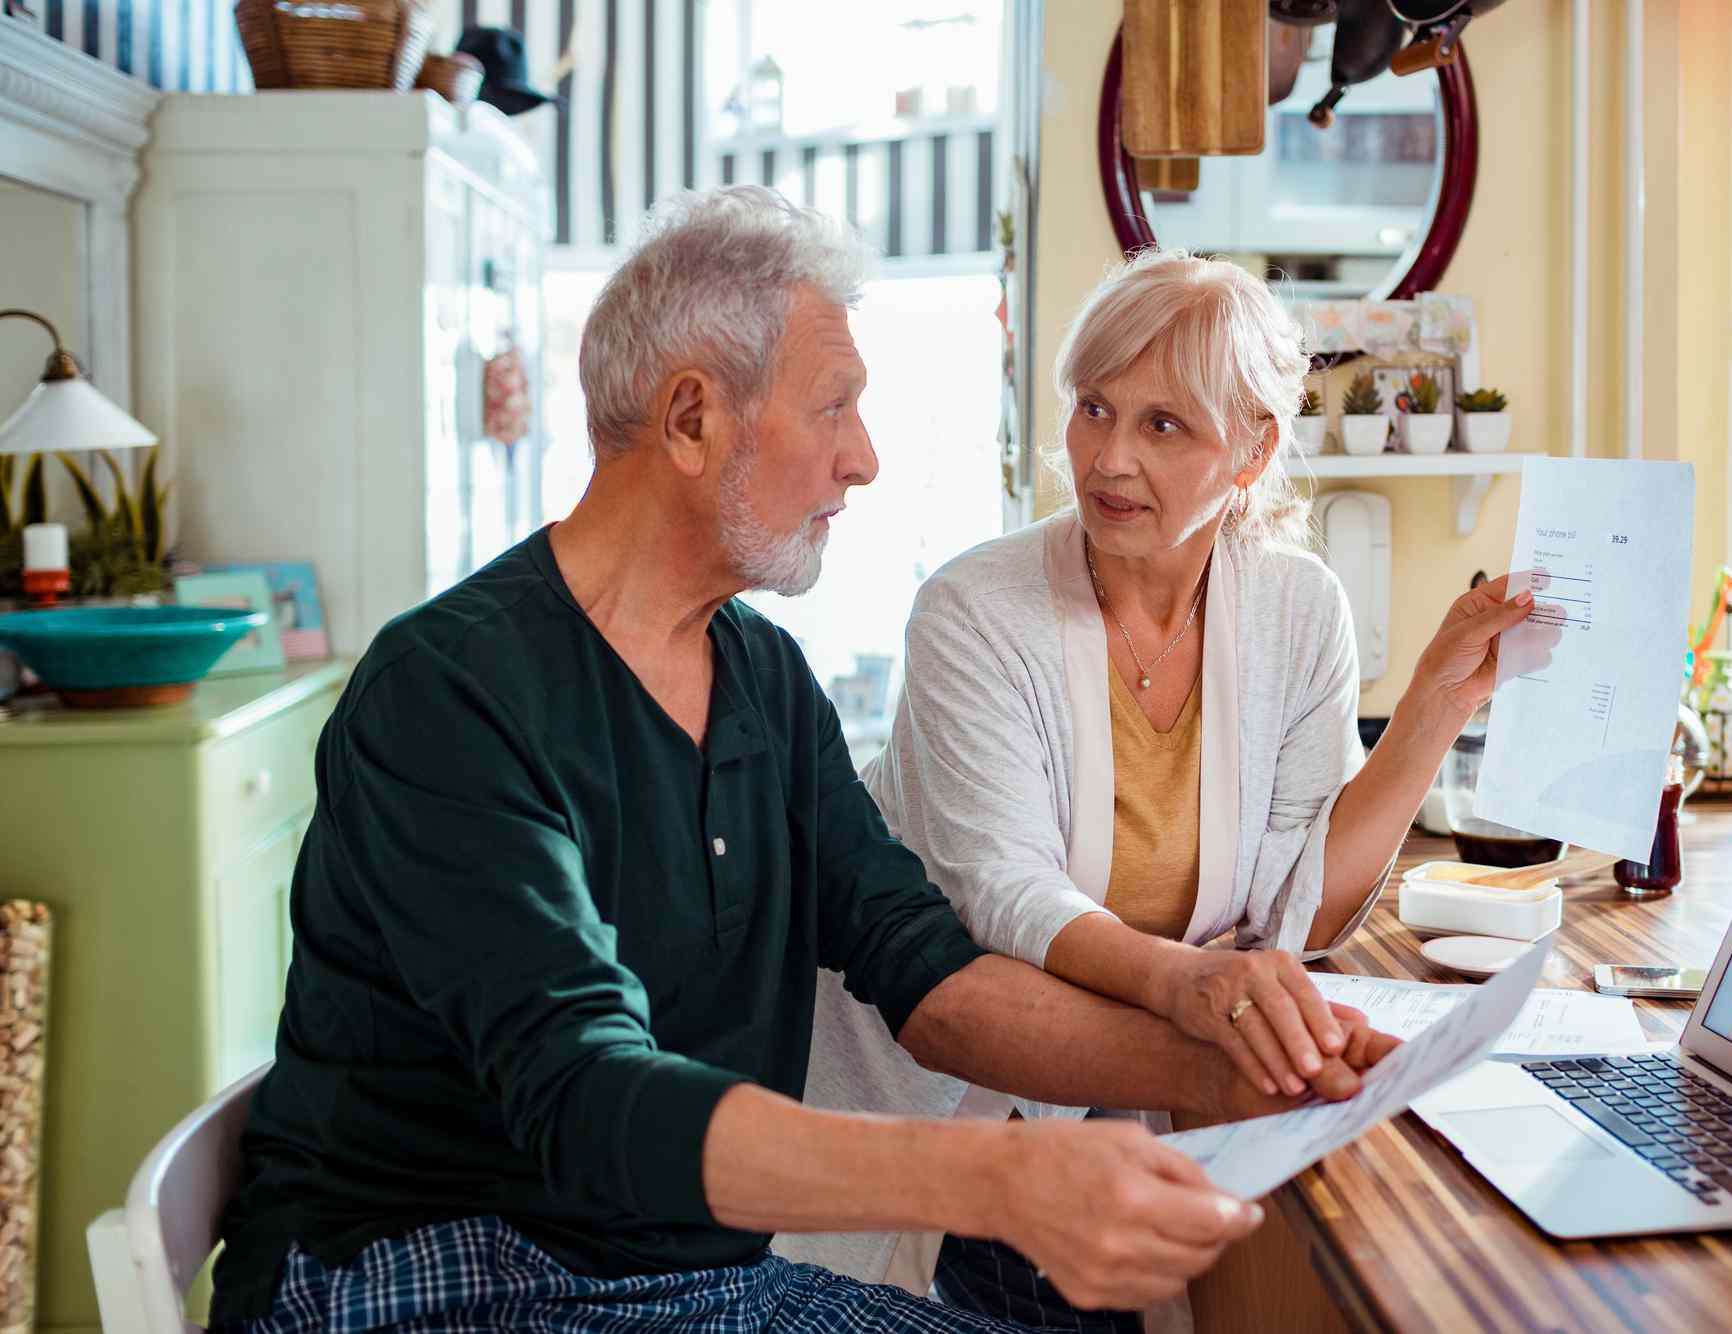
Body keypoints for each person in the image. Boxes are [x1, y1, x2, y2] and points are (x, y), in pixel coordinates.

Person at [206, 191, 1400, 1334]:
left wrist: (1237, 1054)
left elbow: (928, 973)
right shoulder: (453, 691)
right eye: (834, 408)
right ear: (691, 420)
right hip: (435, 1278)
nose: (864, 459)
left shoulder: (765, 683)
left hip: (687, 1283)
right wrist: (996, 1173)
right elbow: (585, 1097)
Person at [792, 249, 1555, 1330]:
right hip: (966, 1100)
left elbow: (1310, 903)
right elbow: (1007, 896)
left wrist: (1434, 703)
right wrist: (1186, 987)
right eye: (1095, 407)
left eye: (1163, 425)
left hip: (1138, 1099)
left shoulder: (1297, 609)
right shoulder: (973, 610)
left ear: (1253, 449)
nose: (1108, 457)